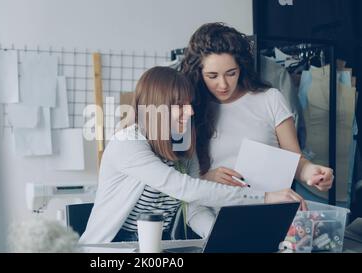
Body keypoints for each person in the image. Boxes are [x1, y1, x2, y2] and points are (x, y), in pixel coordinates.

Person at [79, 66, 303, 244]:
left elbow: (194, 206)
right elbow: (187, 189)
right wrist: (265, 197)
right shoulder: (127, 143)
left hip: (159, 244)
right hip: (111, 246)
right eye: (179, 105)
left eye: (189, 104)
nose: (190, 111)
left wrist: (222, 239)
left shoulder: (183, 144)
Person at [181, 22, 334, 238]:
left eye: (231, 73)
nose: (223, 84)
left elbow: (295, 161)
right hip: (214, 220)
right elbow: (185, 184)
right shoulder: (189, 111)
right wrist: (208, 176)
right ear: (198, 73)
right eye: (212, 76)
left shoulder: (270, 99)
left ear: (241, 67)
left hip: (270, 219)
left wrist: (313, 174)